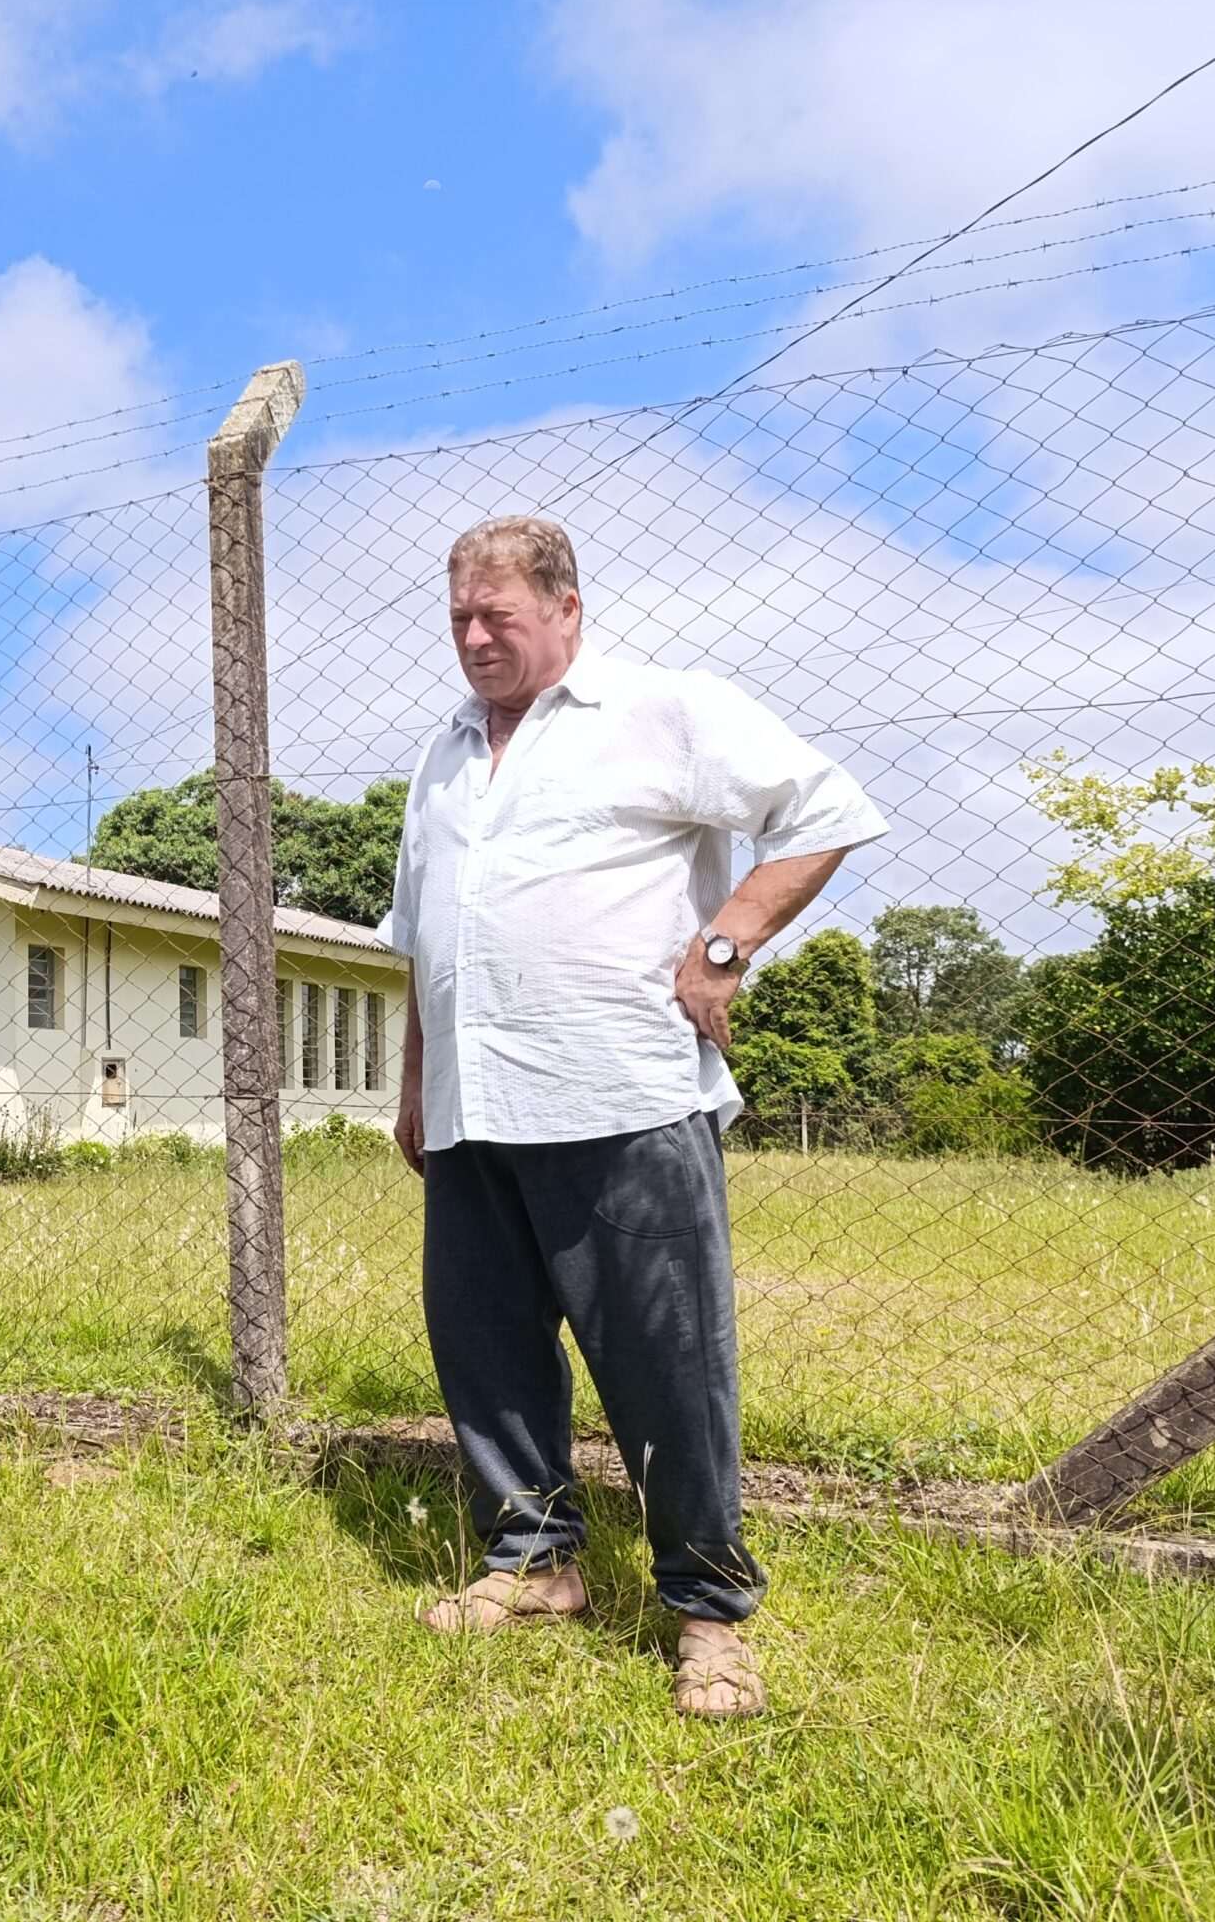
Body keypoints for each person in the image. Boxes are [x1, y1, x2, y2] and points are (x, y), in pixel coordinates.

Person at [382, 516, 887, 1717]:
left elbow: (824, 807)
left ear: (566, 607)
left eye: (497, 615)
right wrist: (414, 1082)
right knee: (487, 1350)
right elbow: (424, 939)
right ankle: (532, 1561)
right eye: (457, 616)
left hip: (620, 1093)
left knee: (667, 1362)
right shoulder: (444, 754)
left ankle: (709, 1611)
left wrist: (724, 945)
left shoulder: (661, 709)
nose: (472, 637)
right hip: (474, 1104)